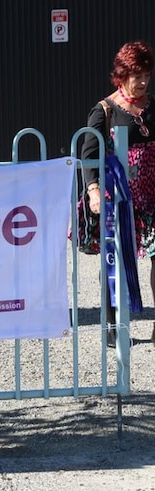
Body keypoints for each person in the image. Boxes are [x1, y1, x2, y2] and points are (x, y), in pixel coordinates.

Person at [81, 40, 155, 346]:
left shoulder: (152, 107)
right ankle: (112, 325)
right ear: (121, 74)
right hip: (118, 197)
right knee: (113, 260)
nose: (143, 81)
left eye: (147, 74)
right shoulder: (105, 110)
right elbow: (88, 154)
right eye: (137, 74)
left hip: (151, 197)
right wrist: (93, 191)